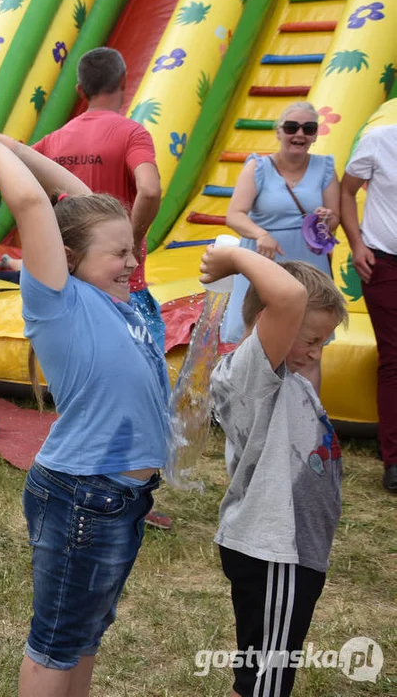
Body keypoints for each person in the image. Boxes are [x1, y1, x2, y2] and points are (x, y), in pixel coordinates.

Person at [0, 134, 168, 697]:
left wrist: (11, 146)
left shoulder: (118, 290)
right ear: (71, 258)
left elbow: (77, 199)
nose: (132, 259)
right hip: (82, 494)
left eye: (132, 250)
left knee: (85, 635)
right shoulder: (58, 300)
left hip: (121, 496)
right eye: (119, 253)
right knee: (56, 642)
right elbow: (33, 206)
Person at [206, 251, 348, 697]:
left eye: (324, 342)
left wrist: (311, 342)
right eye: (309, 338)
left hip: (292, 552)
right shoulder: (251, 374)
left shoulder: (290, 375)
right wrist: (233, 254)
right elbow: (288, 297)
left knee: (264, 678)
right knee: (265, 683)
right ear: (271, 320)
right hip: (274, 552)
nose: (314, 351)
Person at [31, 46, 164, 349]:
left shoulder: (55, 139)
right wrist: (135, 239)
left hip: (72, 281)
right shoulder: (132, 134)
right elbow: (150, 189)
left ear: (80, 90)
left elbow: (6, 175)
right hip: (122, 283)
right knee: (146, 362)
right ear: (124, 82)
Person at [223, 101, 339, 392]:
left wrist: (325, 219)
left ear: (314, 135)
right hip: (265, 260)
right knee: (252, 337)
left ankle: (308, 418)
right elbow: (235, 214)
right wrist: (260, 233)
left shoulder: (325, 167)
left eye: (308, 128)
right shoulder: (257, 167)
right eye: (292, 127)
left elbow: (333, 220)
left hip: (309, 262)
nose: (299, 134)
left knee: (310, 344)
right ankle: (246, 414)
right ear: (278, 132)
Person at [339, 123, 397, 492]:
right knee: (394, 357)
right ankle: (393, 459)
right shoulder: (380, 139)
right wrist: (357, 244)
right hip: (385, 262)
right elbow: (346, 191)